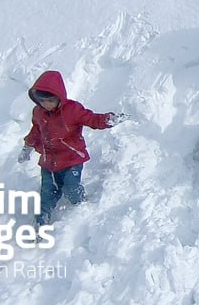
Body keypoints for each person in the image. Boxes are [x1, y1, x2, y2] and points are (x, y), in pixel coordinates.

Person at [17, 70, 127, 226]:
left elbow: (92, 119)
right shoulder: (38, 112)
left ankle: (81, 205)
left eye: (50, 100)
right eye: (42, 101)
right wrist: (27, 147)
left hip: (71, 160)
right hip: (49, 162)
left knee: (71, 188)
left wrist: (109, 119)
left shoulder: (72, 110)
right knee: (47, 192)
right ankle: (41, 221)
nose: (46, 104)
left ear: (59, 97)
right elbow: (36, 130)